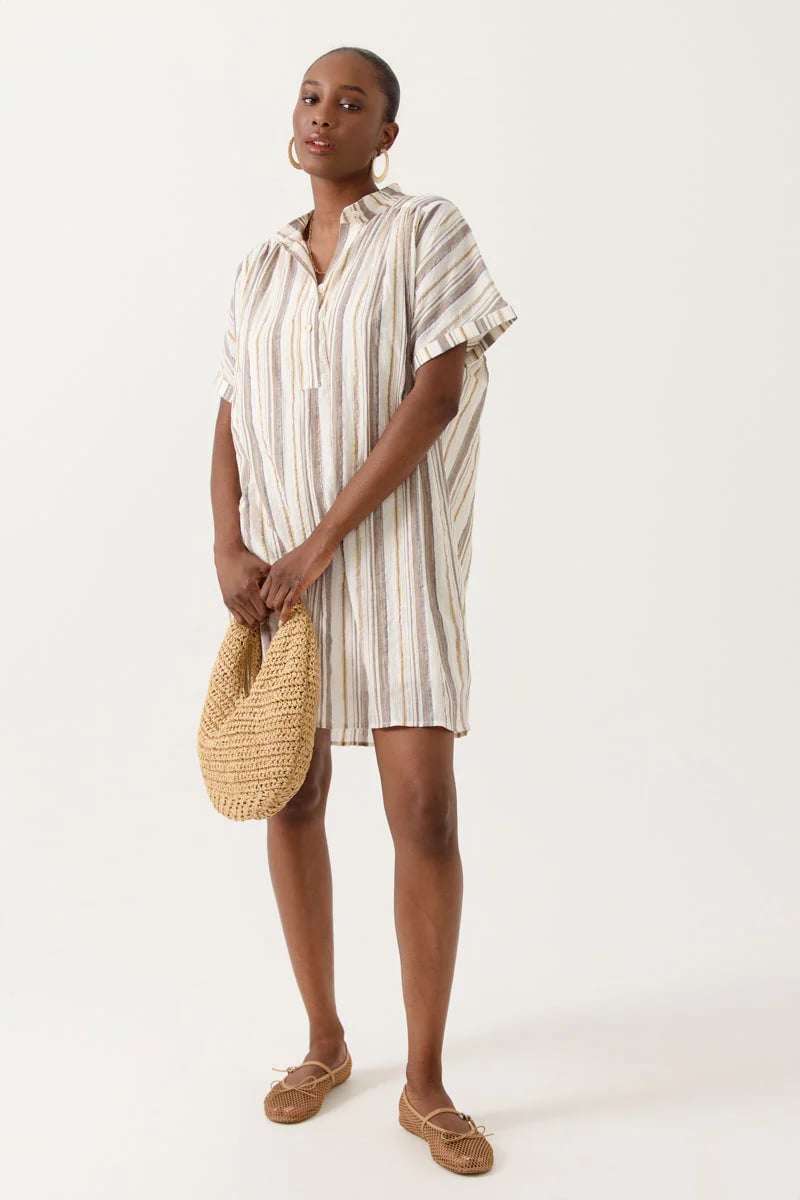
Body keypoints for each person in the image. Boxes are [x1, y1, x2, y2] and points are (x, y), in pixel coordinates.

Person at [209, 45, 517, 1175]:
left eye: (351, 103)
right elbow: (232, 413)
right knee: (291, 794)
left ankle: (426, 1083)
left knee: (423, 812)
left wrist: (324, 538)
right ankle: (324, 1042)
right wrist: (228, 542)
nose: (323, 115)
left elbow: (437, 393)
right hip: (283, 581)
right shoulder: (260, 267)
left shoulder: (426, 230)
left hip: (392, 560)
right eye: (310, 96)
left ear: (385, 135)